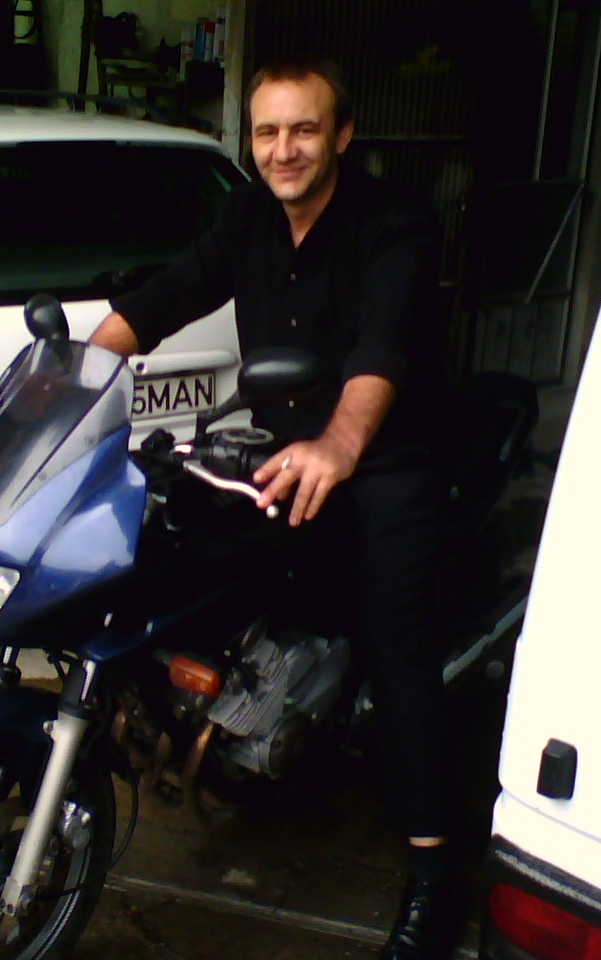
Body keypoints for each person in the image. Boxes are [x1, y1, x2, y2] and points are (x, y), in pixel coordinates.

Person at [89, 60, 459, 960]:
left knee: (398, 646)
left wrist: (341, 444)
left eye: (303, 129)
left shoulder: (394, 223)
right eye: (266, 132)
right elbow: (169, 294)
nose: (283, 149)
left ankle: (433, 872)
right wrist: (74, 376)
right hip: (282, 448)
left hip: (384, 458)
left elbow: (382, 348)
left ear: (341, 135)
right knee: (183, 559)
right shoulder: (250, 215)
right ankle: (237, 724)